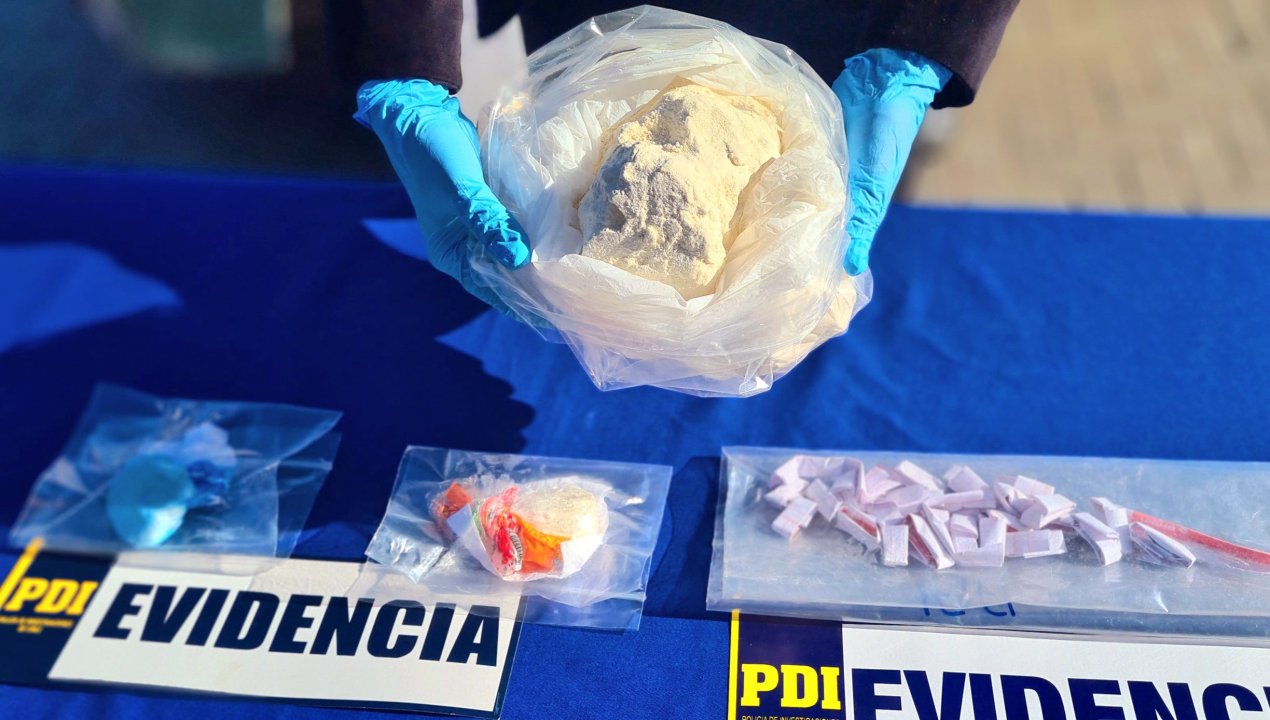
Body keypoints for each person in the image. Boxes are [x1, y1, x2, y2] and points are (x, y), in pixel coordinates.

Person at [352, 1, 1018, 310]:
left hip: (834, 31)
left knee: (822, 218)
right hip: (597, 26)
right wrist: (402, 52)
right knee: (572, 170)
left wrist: (930, 35)